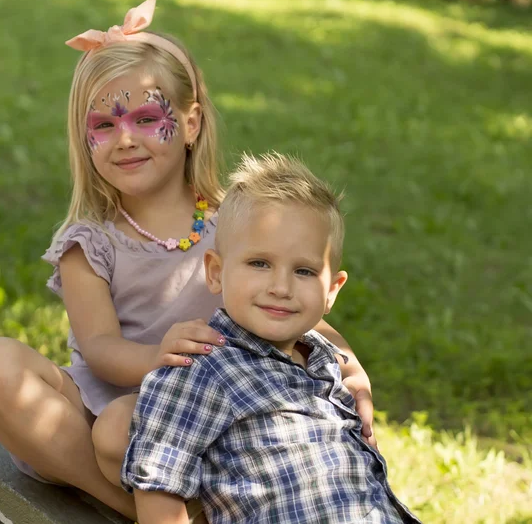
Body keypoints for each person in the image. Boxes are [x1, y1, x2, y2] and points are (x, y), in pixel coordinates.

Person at [0, 0, 375, 521]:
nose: (126, 139)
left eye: (145, 117)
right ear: (83, 138)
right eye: (104, 125)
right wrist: (161, 353)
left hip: (220, 414)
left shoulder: (240, 223)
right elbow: (101, 348)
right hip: (110, 416)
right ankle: (131, 503)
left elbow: (299, 314)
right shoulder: (88, 243)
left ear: (190, 122)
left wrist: (348, 362)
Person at [124, 153, 421, 524]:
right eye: (259, 263)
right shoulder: (202, 367)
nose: (281, 287)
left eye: (304, 270)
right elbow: (158, 492)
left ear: (332, 289)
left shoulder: (324, 361)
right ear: (216, 272)